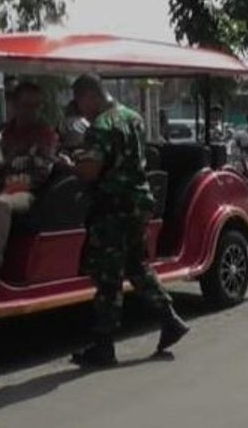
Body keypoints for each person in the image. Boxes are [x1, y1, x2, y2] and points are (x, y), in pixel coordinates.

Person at [69, 74, 188, 367]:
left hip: (113, 207)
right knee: (136, 265)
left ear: (89, 96)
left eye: (80, 104)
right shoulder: (132, 117)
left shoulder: (101, 125)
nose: (81, 111)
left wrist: (74, 165)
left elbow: (92, 171)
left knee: (107, 275)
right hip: (138, 203)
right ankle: (170, 319)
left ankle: (104, 345)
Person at [0, 83, 59, 270]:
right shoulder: (2, 131)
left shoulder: (44, 134)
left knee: (2, 203)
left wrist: (10, 169)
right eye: (26, 105)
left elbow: (43, 170)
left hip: (29, 191)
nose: (31, 111)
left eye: (36, 106)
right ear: (15, 105)